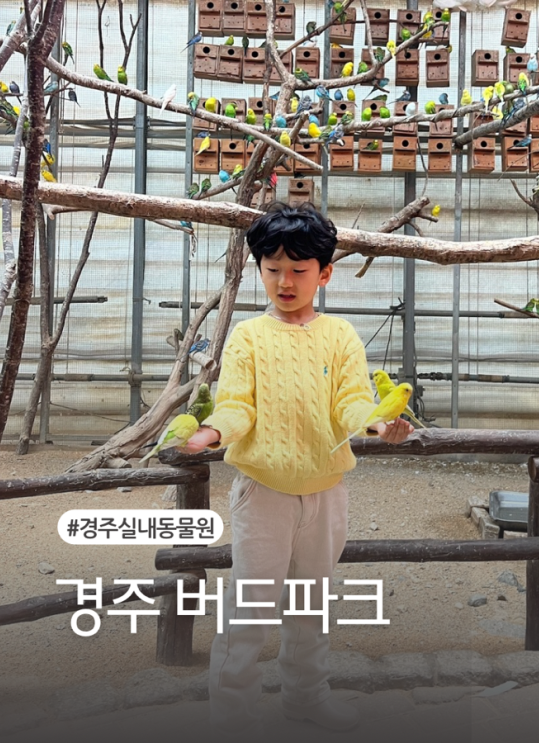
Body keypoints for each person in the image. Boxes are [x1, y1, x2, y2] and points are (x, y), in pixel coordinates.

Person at [185, 202, 414, 738]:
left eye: (298, 270)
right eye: (273, 269)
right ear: (259, 269)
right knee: (248, 613)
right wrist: (212, 431)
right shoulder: (248, 337)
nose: (284, 282)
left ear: (324, 273)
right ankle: (232, 719)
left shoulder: (340, 335)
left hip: (326, 492)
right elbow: (237, 406)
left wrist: (378, 423)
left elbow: (351, 401)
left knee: (311, 608)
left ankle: (306, 699)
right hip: (262, 492)